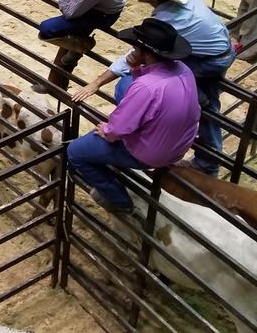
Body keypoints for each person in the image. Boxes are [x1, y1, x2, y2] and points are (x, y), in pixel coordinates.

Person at [74, 0, 235, 176]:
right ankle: (208, 162)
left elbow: (133, 56)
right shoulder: (180, 3)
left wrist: (97, 82)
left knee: (131, 86)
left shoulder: (168, 21)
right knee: (204, 105)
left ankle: (185, 117)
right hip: (217, 51)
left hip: (206, 60)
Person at [67, 18, 200, 215]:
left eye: (136, 48)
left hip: (151, 154)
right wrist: (136, 69)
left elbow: (119, 128)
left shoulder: (146, 88)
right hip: (179, 145)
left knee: (76, 152)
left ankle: (120, 201)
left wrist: (106, 131)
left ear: (147, 54)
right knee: (127, 82)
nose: (131, 51)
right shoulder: (183, 69)